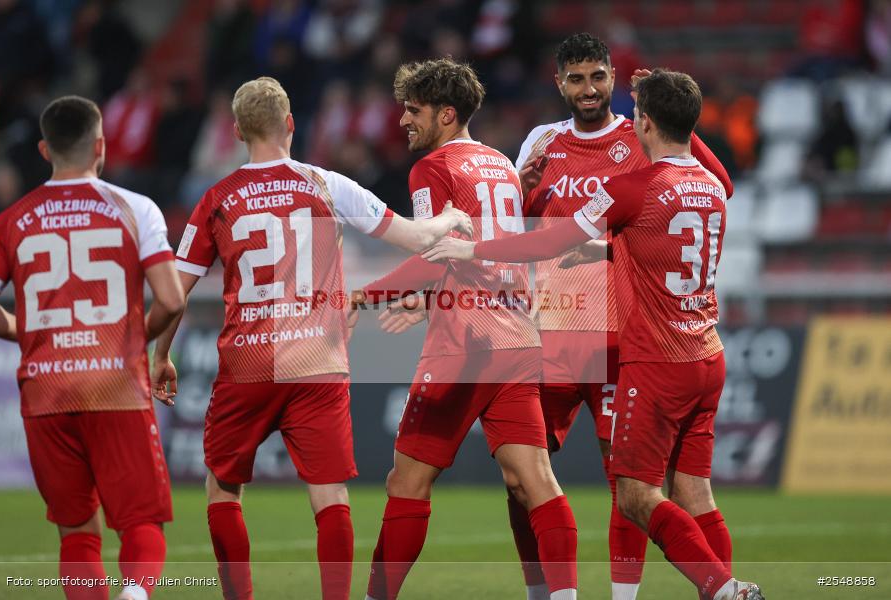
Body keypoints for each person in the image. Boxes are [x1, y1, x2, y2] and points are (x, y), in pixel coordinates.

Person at [423, 69, 764, 600]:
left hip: (652, 358)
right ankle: (720, 591)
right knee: (694, 490)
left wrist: (474, 250)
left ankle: (724, 589)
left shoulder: (632, 188)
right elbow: (662, 230)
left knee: (633, 495)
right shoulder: (710, 186)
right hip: (707, 352)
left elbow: (547, 240)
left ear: (644, 122)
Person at [149, 76, 472, 600]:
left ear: (236, 131)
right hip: (317, 361)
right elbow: (414, 237)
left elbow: (173, 294)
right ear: (292, 125)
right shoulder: (326, 184)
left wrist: (162, 354)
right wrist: (452, 216)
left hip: (247, 363)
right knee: (329, 494)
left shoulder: (217, 198)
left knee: (223, 489)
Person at [358, 58, 578, 600]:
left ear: (446, 114)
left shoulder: (432, 169)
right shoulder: (502, 164)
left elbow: (436, 255)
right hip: (518, 339)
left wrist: (367, 293)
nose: (404, 121)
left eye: (414, 111)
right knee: (533, 482)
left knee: (407, 484)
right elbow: (476, 255)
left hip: (463, 346)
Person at [0, 95, 185, 600]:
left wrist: (24, 330)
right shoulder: (134, 208)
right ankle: (136, 594)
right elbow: (170, 297)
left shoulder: (12, 220)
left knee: (76, 530)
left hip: (46, 391)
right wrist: (133, 340)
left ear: (42, 149)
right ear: (101, 146)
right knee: (141, 519)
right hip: (115, 382)